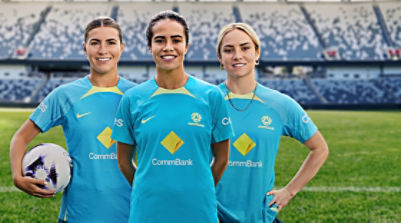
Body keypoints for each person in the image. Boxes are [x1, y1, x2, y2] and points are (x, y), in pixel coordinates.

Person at [10, 17, 135, 222]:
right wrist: (17, 176)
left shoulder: (136, 96)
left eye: (111, 42)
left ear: (122, 47)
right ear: (85, 48)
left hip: (130, 212)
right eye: (95, 43)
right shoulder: (65, 95)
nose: (103, 50)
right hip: (79, 213)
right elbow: (21, 137)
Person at [111, 10, 232, 223]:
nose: (168, 47)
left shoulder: (211, 96)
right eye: (160, 40)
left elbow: (222, 159)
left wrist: (197, 189)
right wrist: (148, 188)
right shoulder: (132, 99)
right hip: (147, 212)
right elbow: (124, 161)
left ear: (186, 45)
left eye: (176, 40)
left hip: (199, 212)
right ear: (150, 47)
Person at [215, 23, 329, 223]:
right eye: (228, 50)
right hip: (212, 215)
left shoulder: (280, 104)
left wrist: (289, 191)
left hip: (259, 216)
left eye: (245, 47)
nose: (237, 55)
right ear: (220, 58)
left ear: (257, 53)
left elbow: (319, 149)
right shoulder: (207, 101)